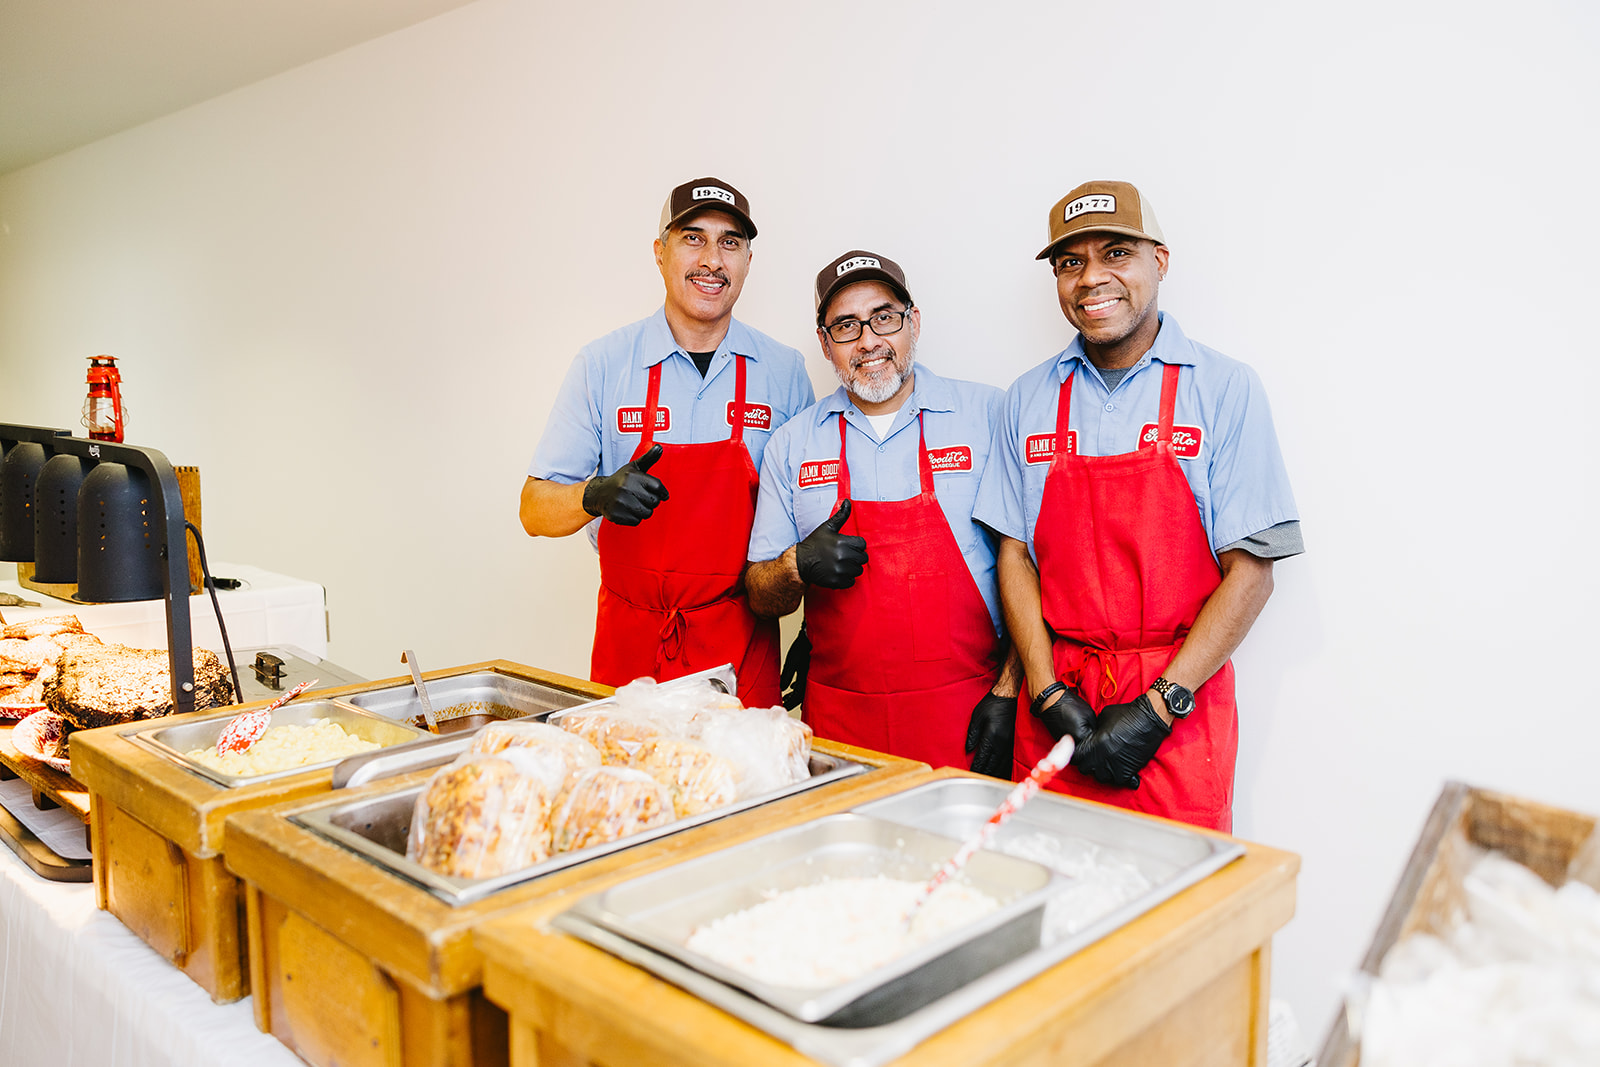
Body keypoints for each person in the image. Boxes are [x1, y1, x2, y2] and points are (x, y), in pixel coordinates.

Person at [974, 180, 1302, 831]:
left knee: (1175, 917)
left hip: (1179, 720)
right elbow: (1015, 555)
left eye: (1116, 252)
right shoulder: (1026, 398)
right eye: (1071, 262)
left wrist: (1159, 706)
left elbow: (1253, 572)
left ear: (1161, 261)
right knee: (1052, 905)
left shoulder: (1225, 389)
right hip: (1059, 710)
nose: (1092, 278)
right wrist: (1041, 689)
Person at [519, 177, 814, 708]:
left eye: (730, 242)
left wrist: (815, 633)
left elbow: (813, 523)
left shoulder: (785, 374)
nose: (712, 259)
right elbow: (533, 510)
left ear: (748, 260)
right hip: (630, 646)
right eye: (693, 238)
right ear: (660, 253)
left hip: (741, 648)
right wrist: (594, 496)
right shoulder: (603, 364)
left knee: (741, 789)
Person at [746, 250, 1020, 774]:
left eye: (884, 317)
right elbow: (760, 593)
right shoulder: (792, 444)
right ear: (826, 344)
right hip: (841, 722)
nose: (869, 340)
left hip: (966, 712)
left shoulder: (988, 414)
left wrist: (1009, 692)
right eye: (846, 326)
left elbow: (1033, 564)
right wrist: (797, 566)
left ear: (913, 322)